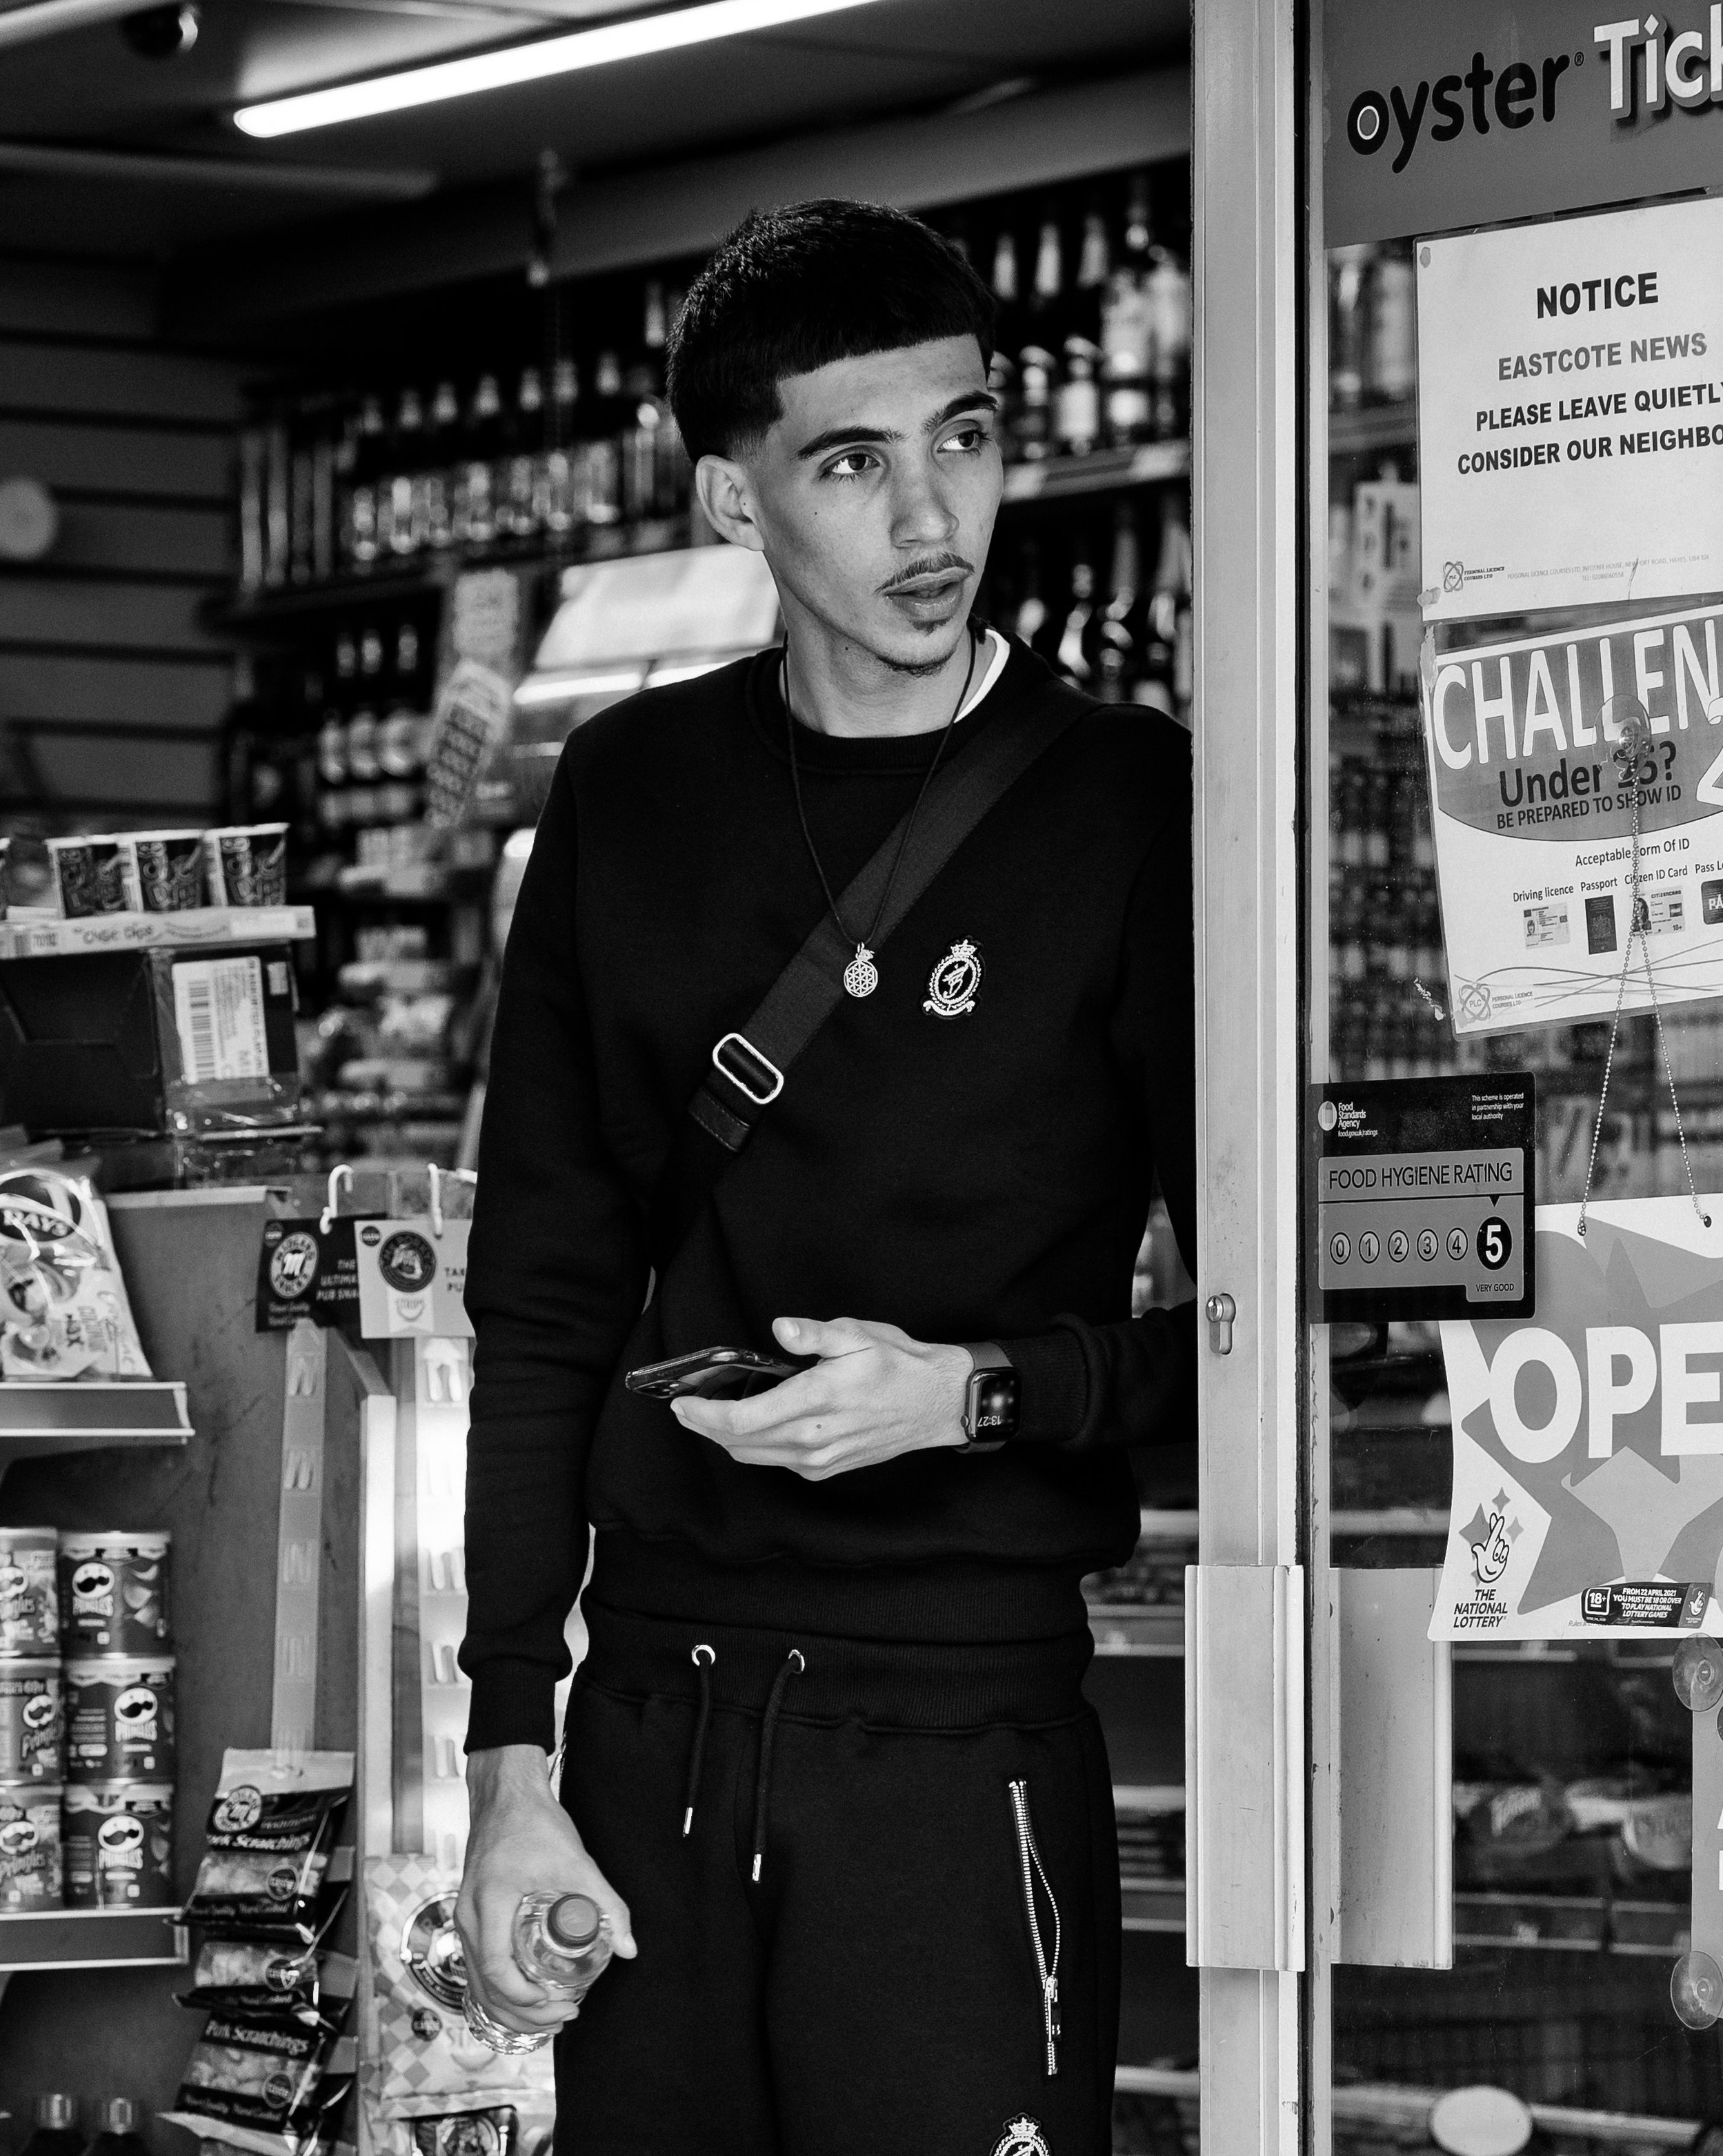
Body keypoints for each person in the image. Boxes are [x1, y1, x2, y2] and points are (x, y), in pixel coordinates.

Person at [455, 197, 1196, 2156]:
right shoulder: (628, 791)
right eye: (853, 462)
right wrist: (509, 1748)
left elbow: (1269, 1338)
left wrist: (973, 1398)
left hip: (962, 1725)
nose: (931, 516)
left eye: (966, 436)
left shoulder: (1131, 804)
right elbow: (540, 1298)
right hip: (651, 1724)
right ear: (734, 495)